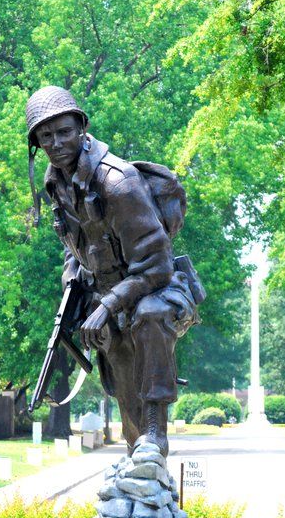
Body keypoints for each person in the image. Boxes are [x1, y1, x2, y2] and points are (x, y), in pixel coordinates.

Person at [26, 85, 198, 458]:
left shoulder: (118, 183)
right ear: (37, 144)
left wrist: (107, 304)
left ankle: (156, 433)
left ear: (82, 128)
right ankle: (140, 455)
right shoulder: (55, 182)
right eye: (46, 136)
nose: (56, 143)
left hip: (156, 288)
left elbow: (156, 266)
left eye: (64, 131)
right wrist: (73, 284)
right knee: (115, 349)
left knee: (149, 318)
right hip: (106, 294)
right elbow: (78, 243)